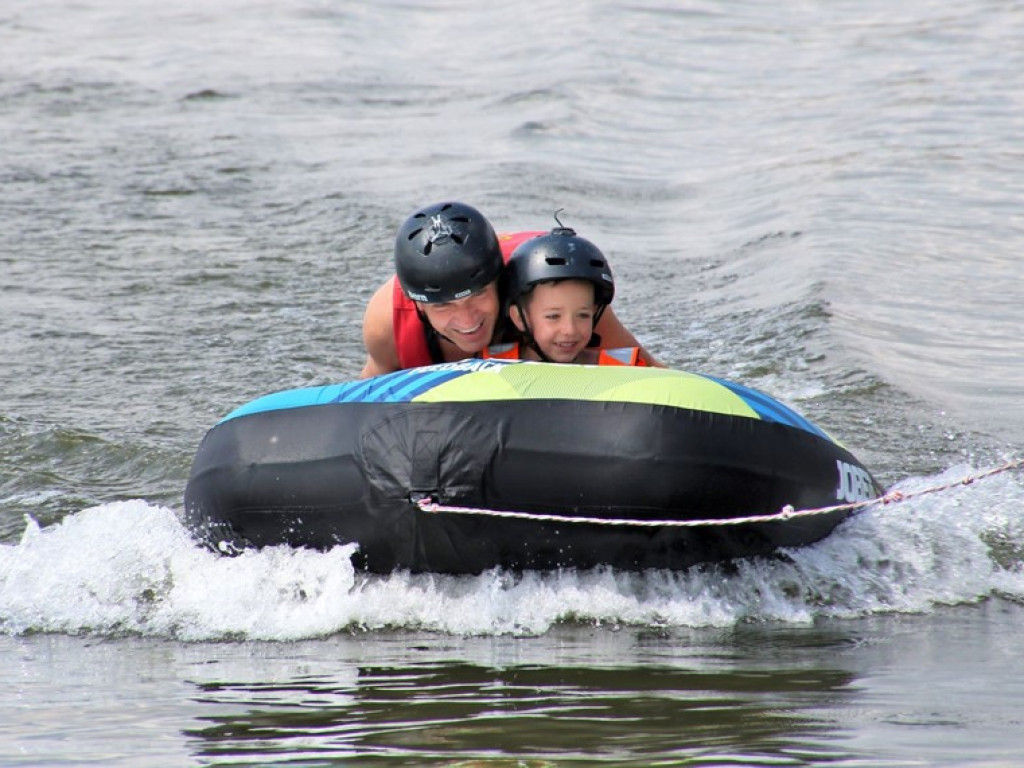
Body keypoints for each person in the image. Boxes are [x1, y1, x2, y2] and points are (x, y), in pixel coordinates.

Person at [360, 201, 658, 377]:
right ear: (420, 306)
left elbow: (658, 378)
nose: (467, 322)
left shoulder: (555, 294)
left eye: (478, 295)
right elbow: (362, 410)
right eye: (443, 305)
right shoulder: (387, 323)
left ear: (500, 281)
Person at [482, 225, 649, 366]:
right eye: (553, 316)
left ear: (595, 313)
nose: (570, 330)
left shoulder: (622, 370)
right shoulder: (485, 366)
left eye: (583, 315)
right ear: (519, 318)